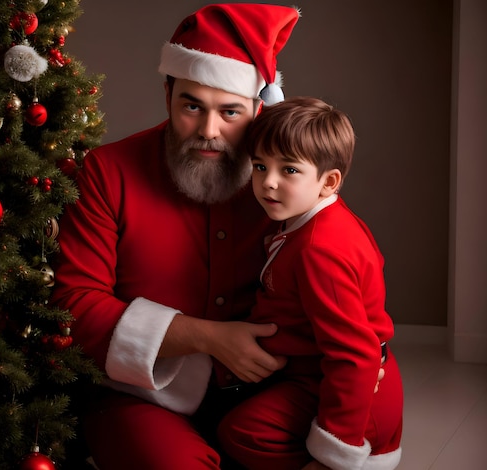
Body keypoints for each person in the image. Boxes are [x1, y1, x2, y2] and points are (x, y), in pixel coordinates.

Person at [51, 4, 302, 469]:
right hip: (138, 395)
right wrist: (209, 337)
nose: (209, 131)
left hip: (267, 392)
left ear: (257, 108)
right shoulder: (108, 172)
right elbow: (77, 303)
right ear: (168, 92)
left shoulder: (290, 176)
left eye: (230, 112)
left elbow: (343, 262)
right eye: (192, 106)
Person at [216, 97, 403, 470]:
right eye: (259, 166)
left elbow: (354, 354)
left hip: (349, 393)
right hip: (310, 369)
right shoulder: (309, 218)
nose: (267, 183)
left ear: (328, 181)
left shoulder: (321, 250)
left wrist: (335, 454)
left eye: (289, 170)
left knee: (241, 432)